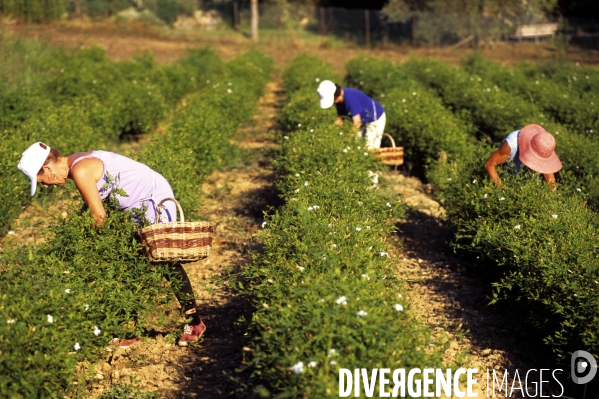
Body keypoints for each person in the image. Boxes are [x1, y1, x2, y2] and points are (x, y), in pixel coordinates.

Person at [17, 142, 206, 347]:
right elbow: (94, 204)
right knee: (128, 263)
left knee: (164, 260)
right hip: (139, 204)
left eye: (41, 180)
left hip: (153, 200)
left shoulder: (80, 169)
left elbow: (98, 217)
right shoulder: (76, 161)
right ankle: (128, 329)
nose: (45, 185)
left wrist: (88, 245)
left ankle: (194, 323)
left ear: (47, 168)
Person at [484, 124, 562, 188]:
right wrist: (502, 190)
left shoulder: (545, 145)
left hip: (528, 181)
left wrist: (553, 190)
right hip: (506, 175)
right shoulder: (511, 144)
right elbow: (489, 165)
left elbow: (547, 170)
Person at [317, 80, 386, 150]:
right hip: (362, 120)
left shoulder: (350, 98)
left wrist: (348, 138)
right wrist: (329, 133)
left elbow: (357, 123)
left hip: (375, 118)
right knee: (357, 145)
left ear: (336, 95)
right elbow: (340, 119)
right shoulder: (339, 102)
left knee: (370, 147)